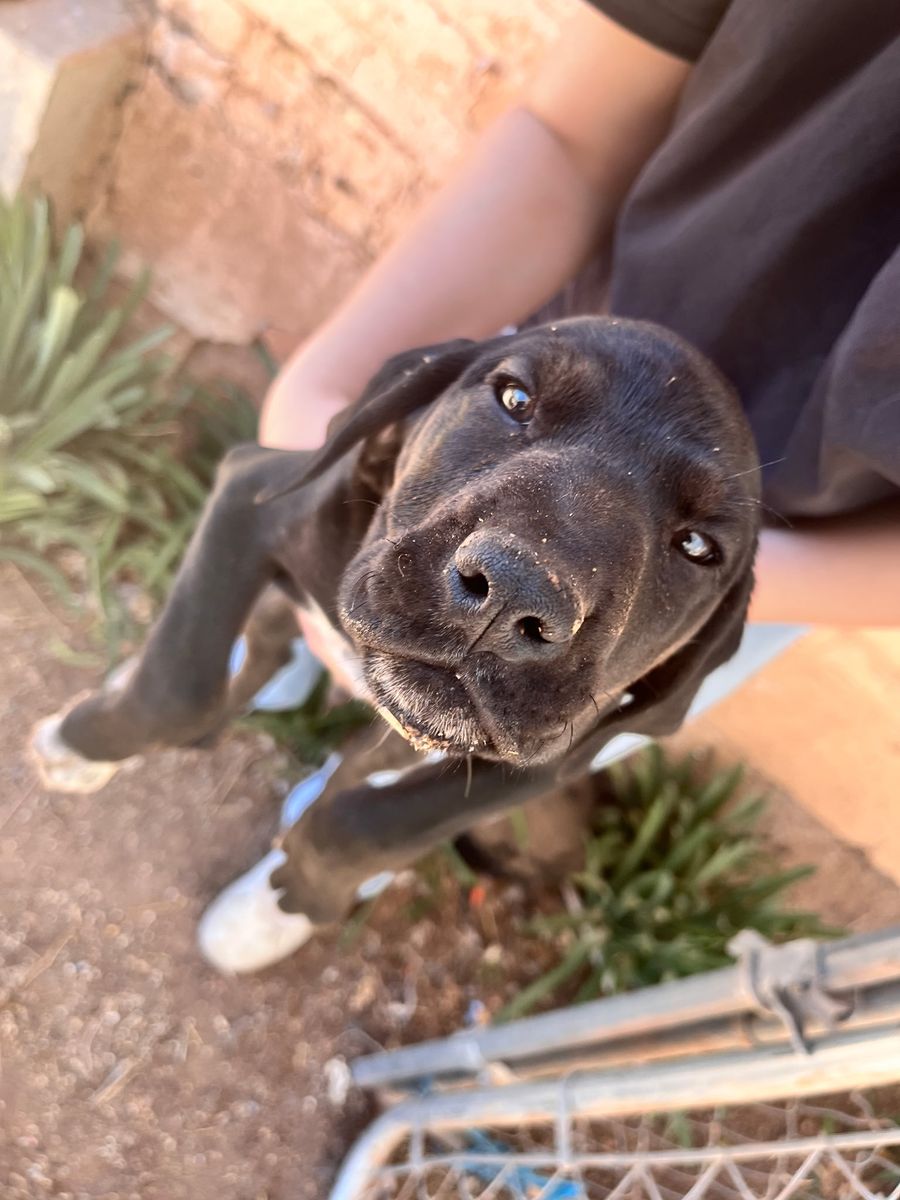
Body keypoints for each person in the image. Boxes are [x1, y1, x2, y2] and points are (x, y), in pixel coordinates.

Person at [257, 0, 900, 637]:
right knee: (321, 592)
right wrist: (321, 393)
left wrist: (721, 584)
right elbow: (571, 140)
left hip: (774, 559)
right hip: (532, 389)